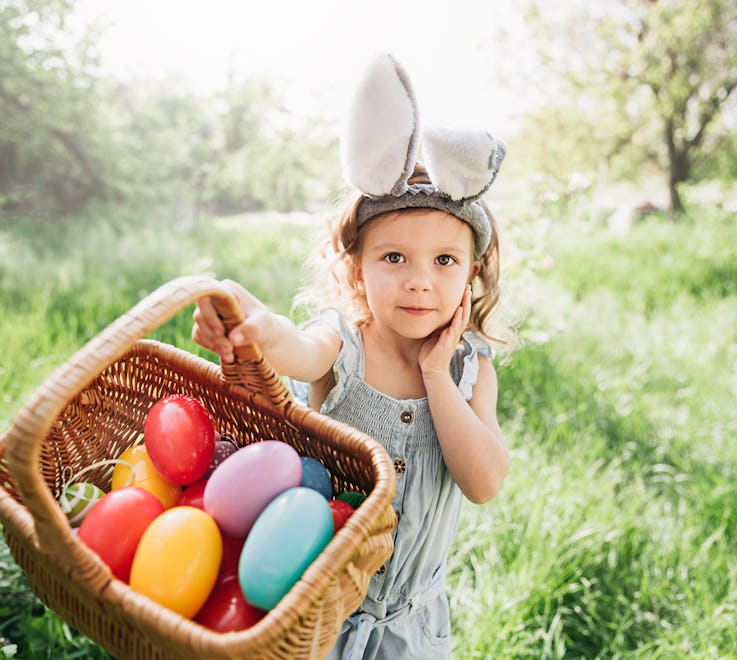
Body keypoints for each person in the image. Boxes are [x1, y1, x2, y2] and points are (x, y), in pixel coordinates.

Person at [191, 53, 510, 659]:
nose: (419, 281)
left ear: (472, 274)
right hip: (318, 614)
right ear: (358, 270)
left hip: (412, 627)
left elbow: (484, 481)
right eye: (394, 258)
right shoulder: (345, 342)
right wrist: (259, 325)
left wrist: (436, 375)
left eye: (444, 260)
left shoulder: (471, 370)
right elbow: (296, 349)